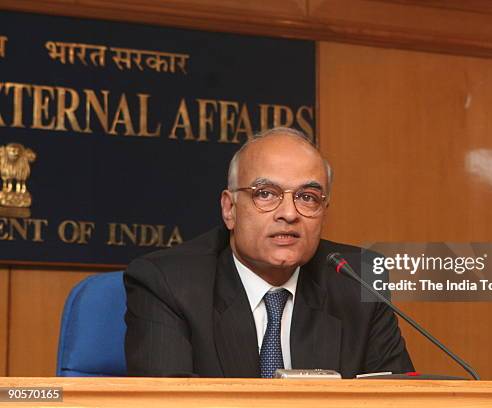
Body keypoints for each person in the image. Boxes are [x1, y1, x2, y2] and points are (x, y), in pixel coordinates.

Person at [124, 127, 413, 378]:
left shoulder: (358, 279)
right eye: (266, 194)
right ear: (229, 209)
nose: (288, 213)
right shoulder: (168, 283)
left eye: (307, 198)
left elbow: (398, 399)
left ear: (324, 212)